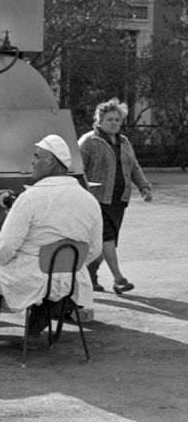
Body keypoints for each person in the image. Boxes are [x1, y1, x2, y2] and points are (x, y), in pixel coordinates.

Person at [0, 135, 103, 356]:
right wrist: (70, 265)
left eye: (38, 157)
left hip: (29, 278)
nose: (32, 162)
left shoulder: (31, 198)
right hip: (68, 279)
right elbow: (95, 249)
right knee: (55, 281)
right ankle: (34, 334)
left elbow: (4, 250)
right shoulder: (89, 200)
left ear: (54, 162)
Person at [79, 98, 152, 295]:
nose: (114, 123)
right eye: (110, 119)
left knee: (105, 243)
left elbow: (134, 166)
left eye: (117, 120)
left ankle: (90, 277)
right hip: (96, 199)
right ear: (99, 120)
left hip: (119, 199)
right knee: (106, 239)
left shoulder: (124, 141)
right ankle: (118, 278)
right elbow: (77, 169)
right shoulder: (89, 141)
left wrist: (143, 186)